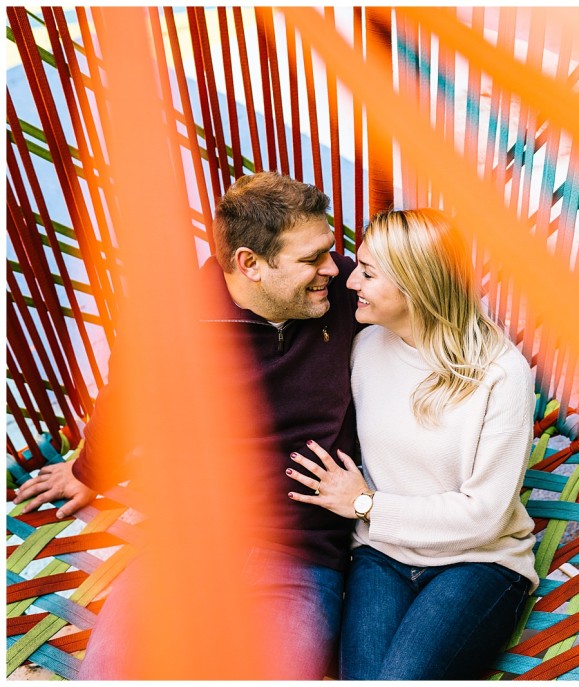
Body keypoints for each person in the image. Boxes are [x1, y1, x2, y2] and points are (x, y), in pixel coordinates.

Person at [13, 172, 360, 680]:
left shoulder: (349, 294)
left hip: (300, 559)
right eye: (311, 259)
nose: (334, 267)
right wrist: (88, 472)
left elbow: (432, 311)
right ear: (250, 264)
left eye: (330, 249)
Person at [286, 208, 538, 680]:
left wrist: (365, 505)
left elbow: (483, 514)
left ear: (415, 284)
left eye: (367, 272)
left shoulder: (502, 375)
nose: (349, 281)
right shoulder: (363, 348)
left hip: (477, 561)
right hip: (381, 555)